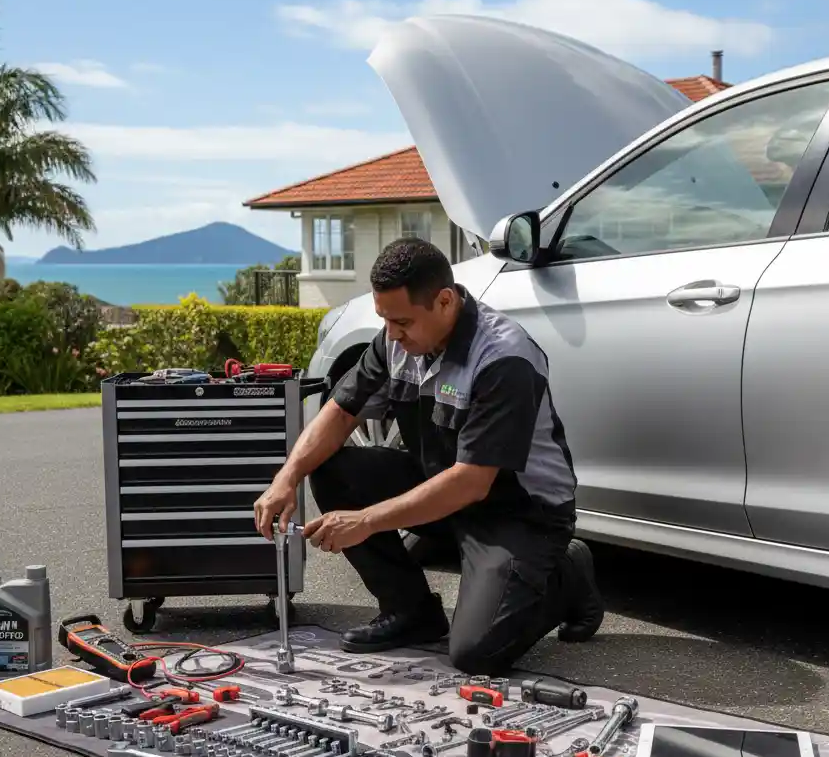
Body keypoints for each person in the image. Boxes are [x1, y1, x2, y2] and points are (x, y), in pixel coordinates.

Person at [253, 237, 604, 674]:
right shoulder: (395, 341)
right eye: (385, 321)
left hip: (518, 511)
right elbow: (341, 412)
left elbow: (472, 482)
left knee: (477, 652)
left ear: (443, 301)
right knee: (328, 468)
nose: (393, 334)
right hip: (441, 487)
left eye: (402, 322)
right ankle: (410, 612)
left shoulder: (503, 357)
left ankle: (566, 576)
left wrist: (363, 521)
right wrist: (287, 478)